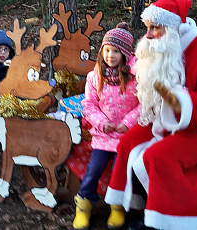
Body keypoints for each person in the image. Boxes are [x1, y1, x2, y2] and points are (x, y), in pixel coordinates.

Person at [104, 0, 197, 229]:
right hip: (160, 121)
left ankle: (166, 220)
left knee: (157, 157)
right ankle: (138, 206)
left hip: (196, 129)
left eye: (154, 28)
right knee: (127, 144)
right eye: (147, 27)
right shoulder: (160, 45)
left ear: (170, 28)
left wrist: (178, 100)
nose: (148, 35)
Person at [72, 22, 140, 230]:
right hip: (103, 136)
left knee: (121, 173)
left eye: (116, 51)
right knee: (94, 170)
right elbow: (89, 104)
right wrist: (101, 123)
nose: (111, 55)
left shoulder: (135, 79)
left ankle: (117, 207)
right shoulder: (95, 77)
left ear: (126, 54)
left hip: (125, 137)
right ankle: (84, 206)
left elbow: (142, 104)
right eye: (107, 50)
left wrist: (127, 123)